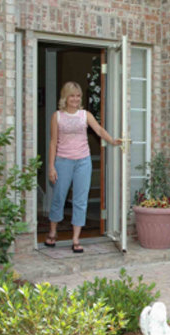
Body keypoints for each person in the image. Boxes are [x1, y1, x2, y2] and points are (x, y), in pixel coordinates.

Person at [44, 81, 122, 253]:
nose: (75, 99)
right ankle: (52, 231)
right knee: (59, 197)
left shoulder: (85, 115)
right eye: (72, 95)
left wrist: (112, 140)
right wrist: (51, 167)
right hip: (63, 161)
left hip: (83, 162)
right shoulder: (57, 116)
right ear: (65, 97)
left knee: (80, 200)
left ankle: (76, 238)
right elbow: (53, 142)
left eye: (78, 96)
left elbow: (99, 130)